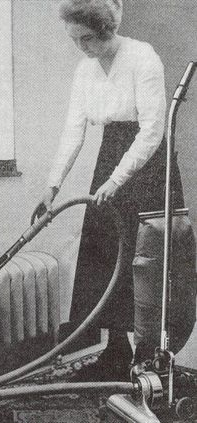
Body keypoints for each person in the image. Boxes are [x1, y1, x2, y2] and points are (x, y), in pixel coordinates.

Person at [39, 0, 184, 381]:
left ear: (106, 30)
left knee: (145, 260)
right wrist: (52, 185)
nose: (82, 48)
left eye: (87, 39)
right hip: (111, 157)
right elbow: (74, 130)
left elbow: (153, 130)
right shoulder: (84, 70)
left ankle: (150, 355)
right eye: (75, 41)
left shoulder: (142, 57)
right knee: (103, 252)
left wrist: (117, 179)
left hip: (148, 164)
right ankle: (116, 348)